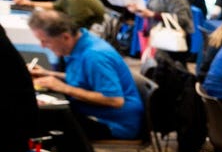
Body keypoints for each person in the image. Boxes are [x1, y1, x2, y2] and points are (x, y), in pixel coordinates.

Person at [26, 9, 143, 140]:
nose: (42, 46)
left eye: (45, 41)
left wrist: (63, 88)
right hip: (97, 112)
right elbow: (84, 77)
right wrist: (47, 73)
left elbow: (115, 100)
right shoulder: (78, 43)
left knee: (44, 124)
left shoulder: (95, 56)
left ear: (65, 37)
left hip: (114, 123)